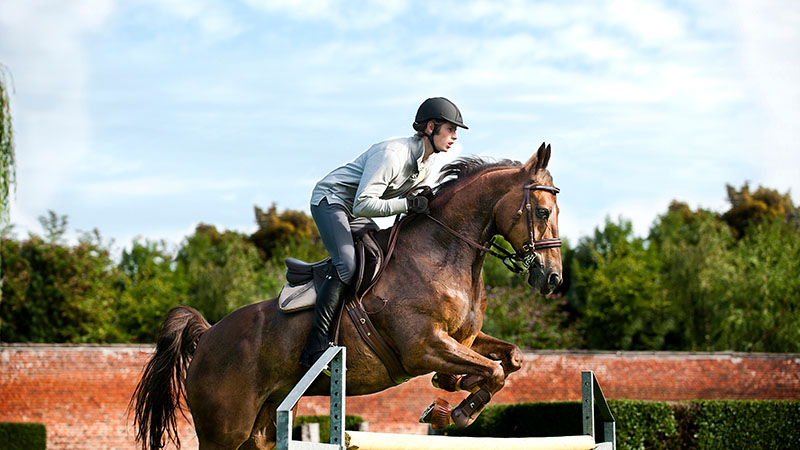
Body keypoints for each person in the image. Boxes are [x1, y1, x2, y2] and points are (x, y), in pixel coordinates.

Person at [300, 97, 469, 368]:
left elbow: (409, 199)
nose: (454, 136)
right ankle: (316, 343)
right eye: (450, 129)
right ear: (430, 127)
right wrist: (407, 203)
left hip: (355, 212)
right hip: (331, 201)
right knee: (347, 265)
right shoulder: (392, 154)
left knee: (380, 257)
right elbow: (363, 203)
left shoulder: (428, 164)